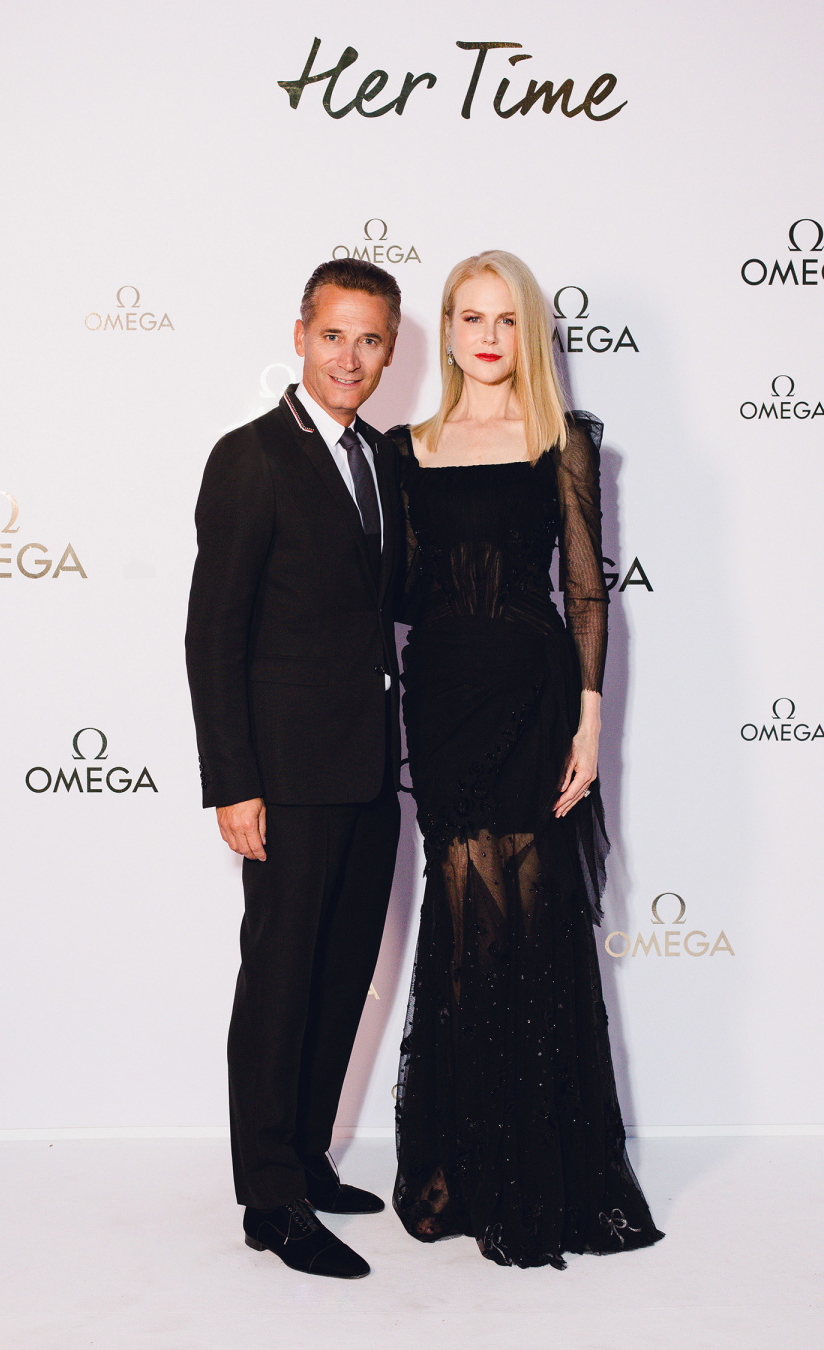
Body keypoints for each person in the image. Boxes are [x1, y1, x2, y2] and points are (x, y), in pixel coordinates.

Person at [389, 250, 664, 1269]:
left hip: (536, 696)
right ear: (449, 330)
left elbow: (587, 593)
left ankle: (544, 1173)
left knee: (534, 917)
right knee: (464, 921)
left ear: (531, 331)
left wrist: (589, 721)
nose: (489, 337)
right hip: (444, 699)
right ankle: (464, 1166)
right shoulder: (408, 448)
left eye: (507, 318)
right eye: (471, 318)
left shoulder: (563, 439)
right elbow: (397, 591)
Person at [185, 258, 404, 1280]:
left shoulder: (381, 458)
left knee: (342, 974)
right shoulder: (251, 457)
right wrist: (233, 781)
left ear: (389, 349)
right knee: (280, 982)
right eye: (333, 335)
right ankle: (269, 1202)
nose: (349, 357)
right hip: (284, 776)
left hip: (370, 769)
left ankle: (307, 1158)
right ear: (301, 335)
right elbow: (213, 634)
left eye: (370, 339)